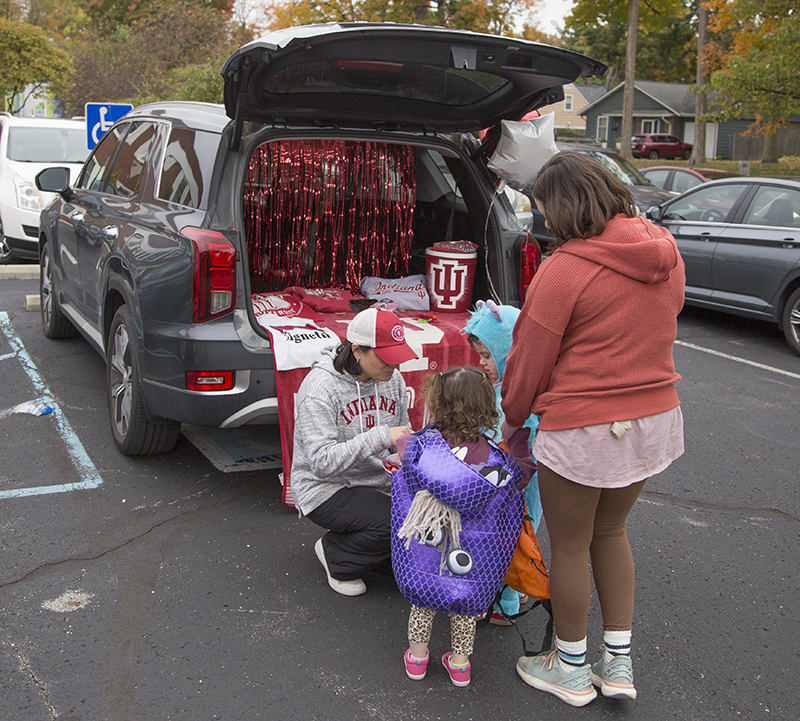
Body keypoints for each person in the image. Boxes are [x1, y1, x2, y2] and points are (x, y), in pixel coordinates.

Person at [501, 151, 686, 706]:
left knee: (570, 545)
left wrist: (512, 418)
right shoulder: (665, 252)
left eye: (543, 208)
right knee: (611, 532)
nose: (542, 219)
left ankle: (571, 667)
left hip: (583, 425)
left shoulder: (565, 269)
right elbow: (667, 316)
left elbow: (529, 359)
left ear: (562, 207)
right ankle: (618, 665)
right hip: (654, 416)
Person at [391, 367, 536, 687]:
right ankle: (459, 665)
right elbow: (518, 479)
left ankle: (417, 659)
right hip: (471, 559)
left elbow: (406, 476)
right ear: (486, 407)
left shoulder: (422, 447)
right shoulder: (495, 460)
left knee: (422, 604)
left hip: (426, 553)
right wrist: (520, 448)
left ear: (437, 402)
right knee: (464, 611)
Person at [291, 307, 417, 596]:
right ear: (357, 351)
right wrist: (379, 436)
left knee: (424, 518)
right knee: (393, 523)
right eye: (386, 358)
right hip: (326, 486)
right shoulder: (320, 388)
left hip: (377, 481)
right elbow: (321, 463)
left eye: (398, 357)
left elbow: (400, 437)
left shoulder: (393, 379)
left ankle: (373, 548)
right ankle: (335, 555)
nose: (394, 366)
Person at [463, 299, 542, 625]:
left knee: (508, 541)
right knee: (517, 539)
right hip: (516, 483)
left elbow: (503, 442)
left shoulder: (515, 400)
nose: (482, 363)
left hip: (514, 486)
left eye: (487, 355)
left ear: (510, 351)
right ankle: (512, 592)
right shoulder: (510, 387)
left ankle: (501, 604)